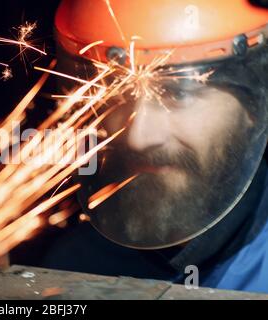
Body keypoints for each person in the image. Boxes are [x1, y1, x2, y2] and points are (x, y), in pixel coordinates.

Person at [43, 0, 268, 293]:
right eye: (116, 92)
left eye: (176, 93)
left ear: (252, 102)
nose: (139, 137)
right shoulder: (67, 271)